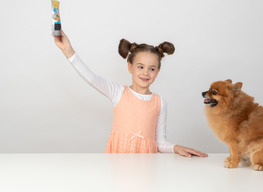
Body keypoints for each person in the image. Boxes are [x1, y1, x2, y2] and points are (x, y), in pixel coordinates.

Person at [53, 30, 208, 158]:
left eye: (152, 69)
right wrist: (69, 51)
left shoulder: (160, 102)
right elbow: (92, 78)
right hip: (118, 162)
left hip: (147, 165)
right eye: (140, 67)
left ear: (158, 72)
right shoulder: (118, 92)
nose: (146, 73)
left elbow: (159, 142)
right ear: (130, 67)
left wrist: (176, 148)